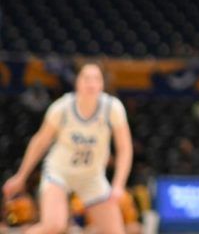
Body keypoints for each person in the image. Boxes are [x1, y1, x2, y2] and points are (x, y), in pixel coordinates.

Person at [2, 63, 133, 234]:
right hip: (59, 173)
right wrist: (21, 176)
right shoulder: (61, 108)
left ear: (102, 84)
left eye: (96, 79)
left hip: (92, 177)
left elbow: (125, 148)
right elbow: (39, 142)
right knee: (55, 225)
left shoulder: (112, 108)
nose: (91, 83)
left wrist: (118, 185)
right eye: (86, 78)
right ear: (77, 81)